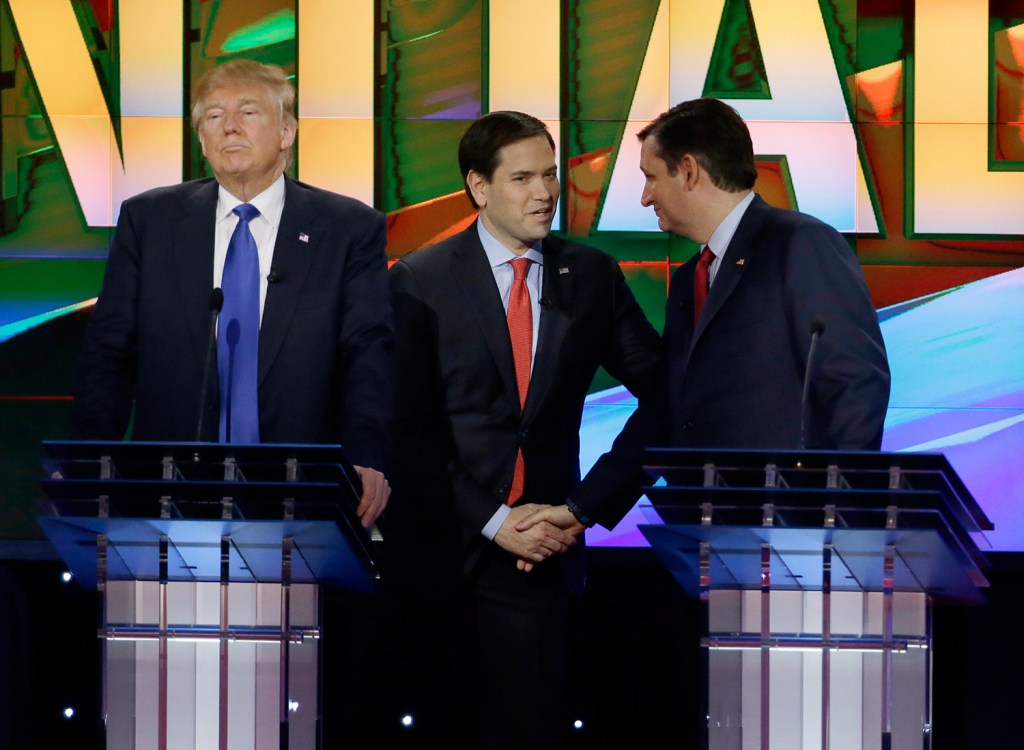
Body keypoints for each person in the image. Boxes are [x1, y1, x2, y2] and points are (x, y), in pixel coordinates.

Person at [384, 110, 663, 749]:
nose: (544, 193)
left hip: (542, 547)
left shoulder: (589, 275)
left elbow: (671, 395)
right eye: (522, 178)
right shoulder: (419, 282)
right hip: (443, 546)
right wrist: (492, 519)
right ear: (479, 187)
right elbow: (406, 431)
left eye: (550, 175)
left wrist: (583, 506)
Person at [526, 98, 890, 536]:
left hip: (797, 535)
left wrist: (839, 518)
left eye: (651, 177)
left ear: (689, 170)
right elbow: (670, 409)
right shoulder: (689, 282)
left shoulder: (799, 244)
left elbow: (856, 385)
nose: (645, 197)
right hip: (712, 538)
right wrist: (583, 508)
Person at [70, 59, 392, 524]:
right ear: (201, 138)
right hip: (169, 489)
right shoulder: (150, 221)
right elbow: (108, 351)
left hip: (301, 490)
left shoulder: (348, 228)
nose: (230, 128)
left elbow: (368, 353)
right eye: (215, 117)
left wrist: (367, 456)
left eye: (248, 112)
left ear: (287, 131)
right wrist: (88, 458)